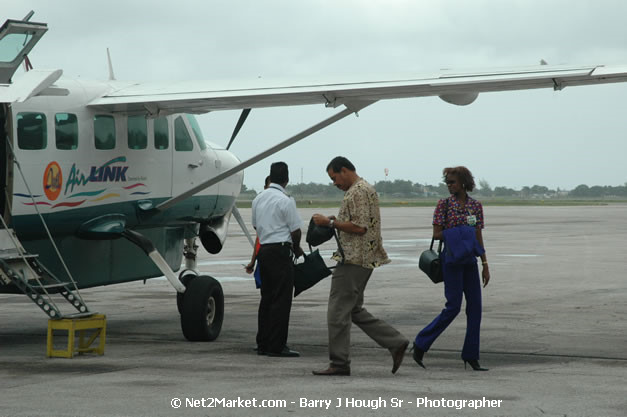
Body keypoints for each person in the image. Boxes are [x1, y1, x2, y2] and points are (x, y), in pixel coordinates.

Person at [311, 156, 409, 376]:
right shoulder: (364, 189)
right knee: (353, 310)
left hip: (354, 260)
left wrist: (329, 223)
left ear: (344, 170)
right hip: (363, 258)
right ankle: (395, 342)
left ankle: (339, 363)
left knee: (337, 312)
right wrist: (337, 220)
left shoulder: (357, 192)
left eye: (334, 178)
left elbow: (360, 227)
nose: (334, 183)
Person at [412, 166, 491, 371]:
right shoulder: (444, 205)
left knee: (475, 309)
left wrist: (484, 263)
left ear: (464, 182)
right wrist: (460, 232)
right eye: (447, 182)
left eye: (452, 182)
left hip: (470, 263)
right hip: (452, 261)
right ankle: (421, 343)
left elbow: (478, 235)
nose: (449, 186)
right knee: (453, 307)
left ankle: (471, 356)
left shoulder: (476, 206)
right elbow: (437, 234)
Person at [251, 162, 304, 357]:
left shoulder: (258, 199)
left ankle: (263, 343)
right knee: (281, 301)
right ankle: (277, 346)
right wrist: (296, 248)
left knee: (266, 298)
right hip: (281, 252)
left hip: (264, 251)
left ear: (270, 177)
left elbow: (256, 226)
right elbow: (295, 230)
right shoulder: (286, 200)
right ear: (286, 179)